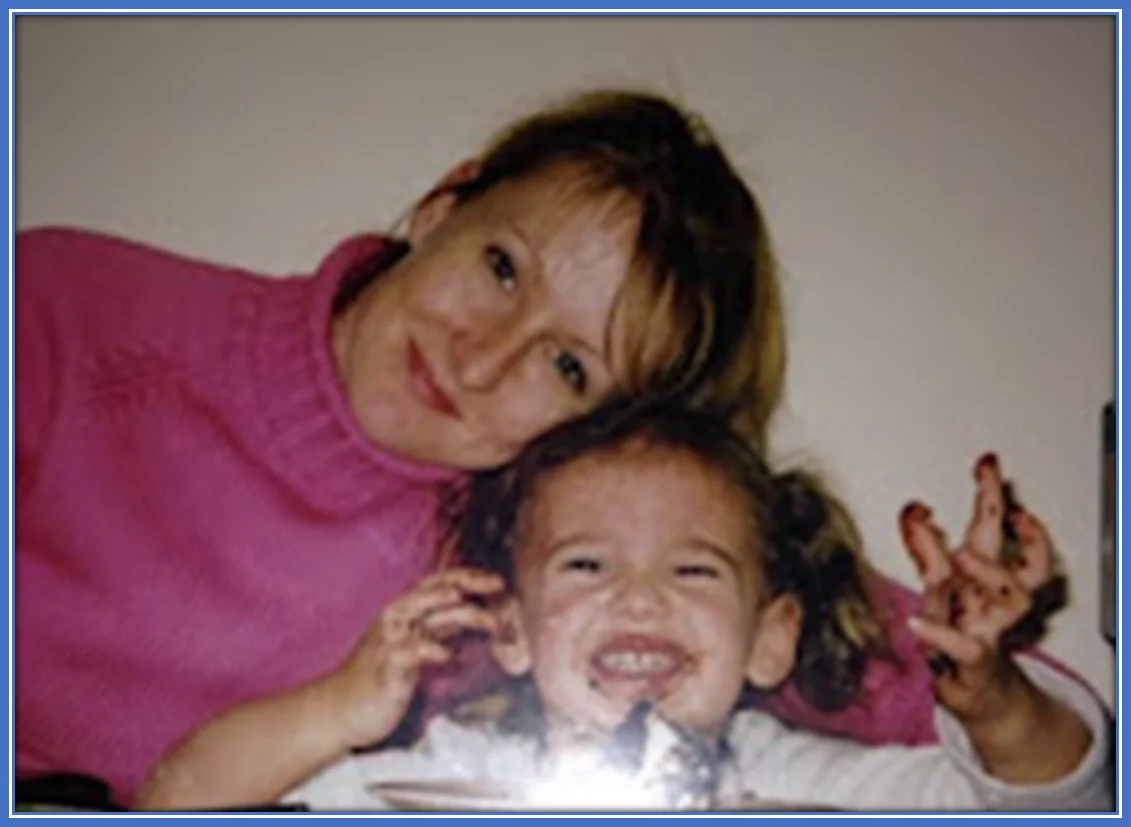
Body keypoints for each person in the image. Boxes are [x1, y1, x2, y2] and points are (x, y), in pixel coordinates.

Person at [14, 88, 1098, 806]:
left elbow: (1021, 737)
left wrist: (989, 673)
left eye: (569, 367)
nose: (482, 358)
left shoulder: (539, 573)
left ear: (605, 430)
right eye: (500, 266)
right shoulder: (64, 305)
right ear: (445, 202)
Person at [134, 402, 1110, 812]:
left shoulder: (804, 784)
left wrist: (994, 701)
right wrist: (339, 708)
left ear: (771, 637)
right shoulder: (433, 782)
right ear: (510, 627)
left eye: (693, 571)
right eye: (589, 564)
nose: (639, 594)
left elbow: (1060, 801)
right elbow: (173, 798)